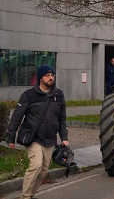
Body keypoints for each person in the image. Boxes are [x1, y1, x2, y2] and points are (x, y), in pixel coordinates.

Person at [6, 65, 69, 199]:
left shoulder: (59, 95)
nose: (51, 78)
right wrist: (11, 137)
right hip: (33, 137)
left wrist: (64, 137)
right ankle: (25, 197)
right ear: (40, 78)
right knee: (36, 165)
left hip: (50, 139)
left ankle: (30, 194)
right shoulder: (29, 95)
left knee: (43, 171)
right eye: (47, 75)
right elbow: (17, 117)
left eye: (52, 75)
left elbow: (62, 118)